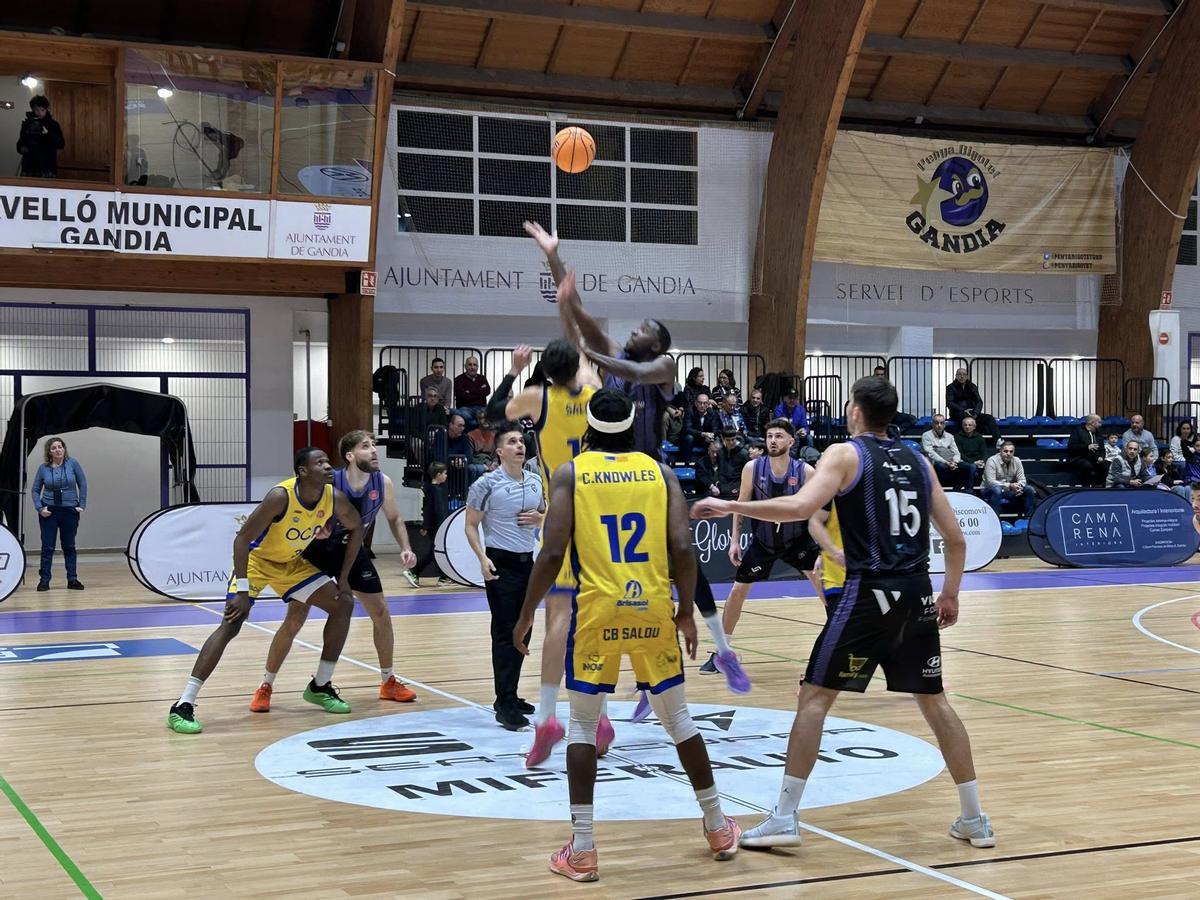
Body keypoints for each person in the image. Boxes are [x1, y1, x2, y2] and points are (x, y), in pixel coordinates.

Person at [691, 375, 995, 851]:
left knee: (813, 698)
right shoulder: (918, 459)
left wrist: (729, 503)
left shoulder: (846, 454)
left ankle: (785, 817)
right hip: (916, 591)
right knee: (934, 702)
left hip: (868, 592)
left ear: (855, 410)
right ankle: (974, 818)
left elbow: (799, 507)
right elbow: (956, 539)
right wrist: (950, 594)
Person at [513, 390, 742, 880]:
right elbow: (683, 546)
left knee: (580, 729)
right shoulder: (659, 472)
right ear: (634, 422)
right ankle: (719, 826)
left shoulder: (571, 472)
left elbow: (551, 554)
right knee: (679, 720)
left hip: (597, 612)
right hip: (653, 608)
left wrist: (526, 612)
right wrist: (684, 611)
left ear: (589, 426)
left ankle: (584, 850)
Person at [526, 219, 746, 705]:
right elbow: (579, 313)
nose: (635, 328)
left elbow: (626, 366)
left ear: (657, 344)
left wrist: (585, 352)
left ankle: (724, 649)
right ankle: (649, 676)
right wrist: (554, 260)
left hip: (650, 478)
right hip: (611, 479)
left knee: (680, 558)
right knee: (626, 574)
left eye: (644, 328)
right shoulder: (616, 355)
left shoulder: (661, 367)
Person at [166, 448, 362, 735]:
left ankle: (320, 685)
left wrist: (344, 579)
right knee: (231, 624)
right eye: (319, 462)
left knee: (343, 604)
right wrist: (243, 590)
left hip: (291, 564)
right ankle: (183, 704)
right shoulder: (280, 497)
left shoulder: (335, 498)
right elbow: (242, 539)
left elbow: (357, 527)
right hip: (257, 562)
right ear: (303, 471)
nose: (328, 466)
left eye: (327, 461)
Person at [249, 432, 420, 713]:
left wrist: (405, 546)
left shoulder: (383, 483)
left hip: (352, 551)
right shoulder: (331, 481)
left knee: (381, 612)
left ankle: (388, 680)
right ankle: (266, 685)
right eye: (366, 447)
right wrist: (318, 528)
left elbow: (394, 517)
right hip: (317, 552)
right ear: (350, 456)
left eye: (374, 445)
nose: (374, 451)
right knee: (295, 618)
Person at [503, 339, 605, 754]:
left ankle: (546, 718)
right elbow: (589, 375)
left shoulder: (536, 397)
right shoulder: (598, 397)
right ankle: (596, 719)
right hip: (598, 519)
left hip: (559, 519)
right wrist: (580, 338)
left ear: (545, 369)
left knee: (557, 622)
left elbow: (502, 413)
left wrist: (516, 368)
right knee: (595, 622)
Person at [704, 418, 819, 675]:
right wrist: (735, 540)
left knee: (826, 591)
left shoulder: (806, 472)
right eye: (769, 436)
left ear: (791, 440)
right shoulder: (753, 468)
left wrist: (822, 548)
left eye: (779, 436)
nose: (773, 441)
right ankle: (723, 653)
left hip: (798, 540)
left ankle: (834, 650)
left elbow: (816, 513)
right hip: (764, 542)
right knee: (737, 592)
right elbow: (740, 505)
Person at [464, 421, 546, 730]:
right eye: (512, 442)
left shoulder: (535, 480)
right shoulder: (485, 484)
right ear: (499, 451)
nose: (520, 445)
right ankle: (503, 701)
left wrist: (542, 517)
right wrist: (482, 558)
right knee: (504, 631)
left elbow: (544, 514)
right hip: (500, 563)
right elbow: (471, 524)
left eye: (522, 441)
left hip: (529, 564)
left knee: (524, 629)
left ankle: (511, 694)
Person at [31, 436, 86, 591]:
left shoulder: (72, 464)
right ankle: (44, 580)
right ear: (49, 452)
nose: (58, 450)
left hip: (70, 511)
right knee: (47, 547)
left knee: (69, 546)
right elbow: (35, 490)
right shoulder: (43, 468)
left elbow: (83, 483)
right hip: (50, 511)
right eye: (54, 448)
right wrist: (40, 508)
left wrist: (81, 504)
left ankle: (72, 579)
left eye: (60, 447)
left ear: (64, 449)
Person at [405, 461, 453, 587]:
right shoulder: (433, 491)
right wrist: (426, 526)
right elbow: (430, 510)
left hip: (439, 526)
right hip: (436, 527)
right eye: (445, 473)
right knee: (435, 552)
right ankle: (415, 572)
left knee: (438, 551)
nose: (446, 476)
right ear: (438, 475)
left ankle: (444, 577)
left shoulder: (437, 489)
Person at [983, 442, 1036, 516]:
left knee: (1029, 489)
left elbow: (1022, 479)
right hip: (989, 490)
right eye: (1005, 451)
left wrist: (1019, 486)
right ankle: (996, 519)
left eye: (1011, 451)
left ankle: (1029, 518)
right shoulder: (992, 461)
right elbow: (991, 482)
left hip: (1009, 489)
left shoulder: (1017, 460)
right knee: (997, 490)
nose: (1008, 453)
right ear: (1000, 451)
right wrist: (1010, 485)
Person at [17, 95, 64, 178]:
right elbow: (20, 145)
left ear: (46, 110)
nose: (40, 112)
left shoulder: (53, 125)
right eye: (37, 110)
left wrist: (48, 133)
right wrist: (24, 148)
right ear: (32, 109)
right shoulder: (27, 124)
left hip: (47, 167)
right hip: (29, 167)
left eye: (42, 110)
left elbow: (61, 144)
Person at [922, 414, 971, 492]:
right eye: (936, 423)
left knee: (970, 466)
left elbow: (956, 452)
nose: (939, 425)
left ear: (944, 425)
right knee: (941, 466)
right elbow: (931, 453)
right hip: (937, 462)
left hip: (951, 461)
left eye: (941, 423)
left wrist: (955, 462)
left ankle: (968, 491)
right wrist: (946, 462)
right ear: (932, 424)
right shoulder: (926, 435)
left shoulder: (950, 436)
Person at [945, 368, 998, 440]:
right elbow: (950, 403)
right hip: (958, 413)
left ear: (967, 376)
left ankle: (998, 440)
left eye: (964, 374)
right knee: (967, 420)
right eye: (959, 374)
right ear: (956, 376)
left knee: (989, 418)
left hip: (972, 413)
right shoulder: (950, 387)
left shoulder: (972, 386)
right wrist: (964, 410)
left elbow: (979, 401)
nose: (962, 376)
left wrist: (976, 412)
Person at [1067, 414, 1108, 487]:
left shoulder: (1098, 433)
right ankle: (1086, 487)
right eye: (1099, 422)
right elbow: (1071, 447)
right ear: (1092, 423)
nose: (1101, 425)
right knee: (1087, 465)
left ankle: (1099, 486)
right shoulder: (1078, 431)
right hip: (1078, 457)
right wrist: (1087, 447)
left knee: (1105, 464)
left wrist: (1101, 457)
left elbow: (1102, 448)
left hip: (1094, 457)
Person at [953, 417, 988, 488]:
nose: (967, 427)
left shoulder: (979, 437)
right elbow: (960, 454)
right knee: (972, 467)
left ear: (974, 427)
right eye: (965, 425)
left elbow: (984, 451)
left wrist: (983, 462)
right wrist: (973, 462)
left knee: (989, 465)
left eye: (969, 425)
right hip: (964, 461)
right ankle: (969, 490)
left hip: (978, 461)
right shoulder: (957, 437)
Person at [454, 356, 490, 420]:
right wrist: (479, 392)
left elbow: (487, 391)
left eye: (475, 365)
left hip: (481, 408)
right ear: (465, 366)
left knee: (488, 416)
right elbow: (463, 396)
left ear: (477, 367)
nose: (472, 367)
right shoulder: (458, 379)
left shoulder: (482, 378)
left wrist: (470, 390)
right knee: (465, 416)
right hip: (465, 408)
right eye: (470, 365)